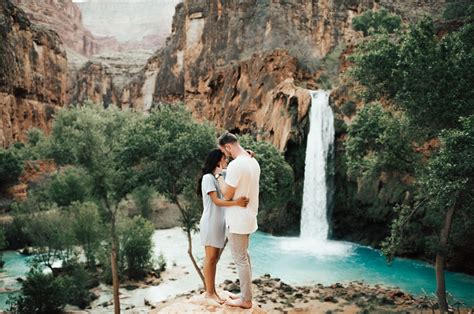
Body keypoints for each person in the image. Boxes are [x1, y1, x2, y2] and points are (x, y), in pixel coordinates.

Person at [196, 148, 249, 304]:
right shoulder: (207, 178)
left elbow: (236, 168)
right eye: (224, 159)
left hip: (219, 225)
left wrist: (247, 155)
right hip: (210, 223)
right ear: (218, 160)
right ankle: (209, 294)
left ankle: (212, 292)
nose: (226, 161)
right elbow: (217, 201)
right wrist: (237, 203)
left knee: (214, 259)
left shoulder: (219, 176)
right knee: (210, 259)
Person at [217, 132, 261, 309]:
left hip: (237, 219)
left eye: (224, 151)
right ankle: (246, 294)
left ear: (228, 146)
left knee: (240, 258)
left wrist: (219, 176)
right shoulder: (252, 161)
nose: (225, 156)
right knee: (245, 255)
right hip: (249, 216)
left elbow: (227, 195)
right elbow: (242, 177)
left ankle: (246, 300)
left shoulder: (236, 165)